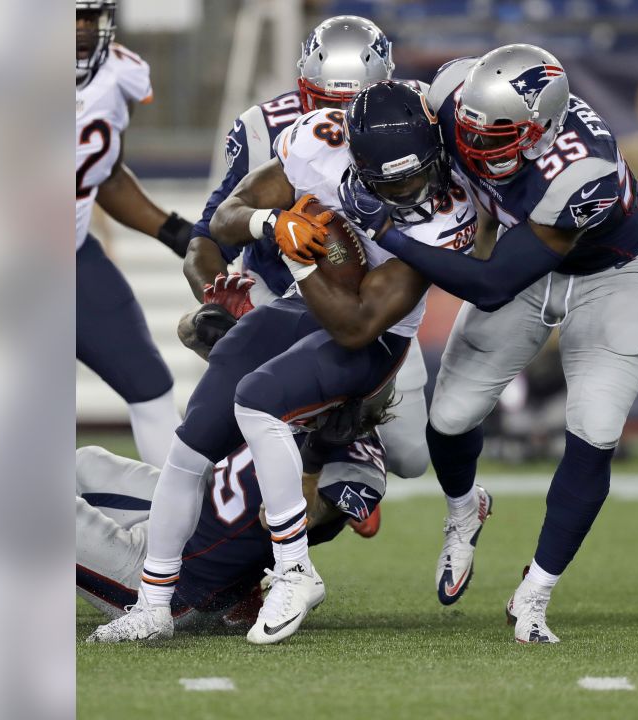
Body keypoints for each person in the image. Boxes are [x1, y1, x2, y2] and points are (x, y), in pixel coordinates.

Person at [87, 80, 476, 646]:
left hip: (374, 333)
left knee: (259, 399)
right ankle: (153, 604)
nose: (410, 190)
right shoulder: (320, 142)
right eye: (391, 181)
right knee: (190, 446)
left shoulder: (448, 210)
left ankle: (294, 571)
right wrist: (271, 225)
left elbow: (356, 324)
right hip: (302, 305)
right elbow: (224, 218)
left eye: (417, 174)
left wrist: (300, 261)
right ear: (354, 157)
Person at [349, 45, 638, 642]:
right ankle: (465, 512)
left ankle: (535, 592)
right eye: (465, 125)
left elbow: (490, 285)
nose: (472, 144)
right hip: (524, 249)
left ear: (540, 131)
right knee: (450, 418)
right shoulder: (453, 95)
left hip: (606, 274)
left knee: (595, 432)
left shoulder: (578, 170)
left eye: (495, 136)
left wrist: (386, 230)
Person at [182, 15, 434, 481]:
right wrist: (218, 297)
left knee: (412, 459)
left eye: (355, 104)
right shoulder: (266, 128)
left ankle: (354, 438)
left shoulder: (413, 120)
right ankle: (317, 446)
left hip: (375, 309)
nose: (340, 123)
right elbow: (206, 239)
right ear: (303, 89)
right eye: (326, 103)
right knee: (223, 420)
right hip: (279, 293)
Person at [79, 396, 389, 635]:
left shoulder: (357, 461)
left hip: (178, 583)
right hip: (180, 521)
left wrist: (313, 460)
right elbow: (196, 335)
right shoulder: (297, 393)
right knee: (84, 462)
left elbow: (285, 519)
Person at [75, 0, 192, 466]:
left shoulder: (120, 73)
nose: (83, 29)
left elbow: (105, 174)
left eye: (91, 16)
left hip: (74, 258)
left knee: (150, 388)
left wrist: (170, 230)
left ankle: (179, 531)